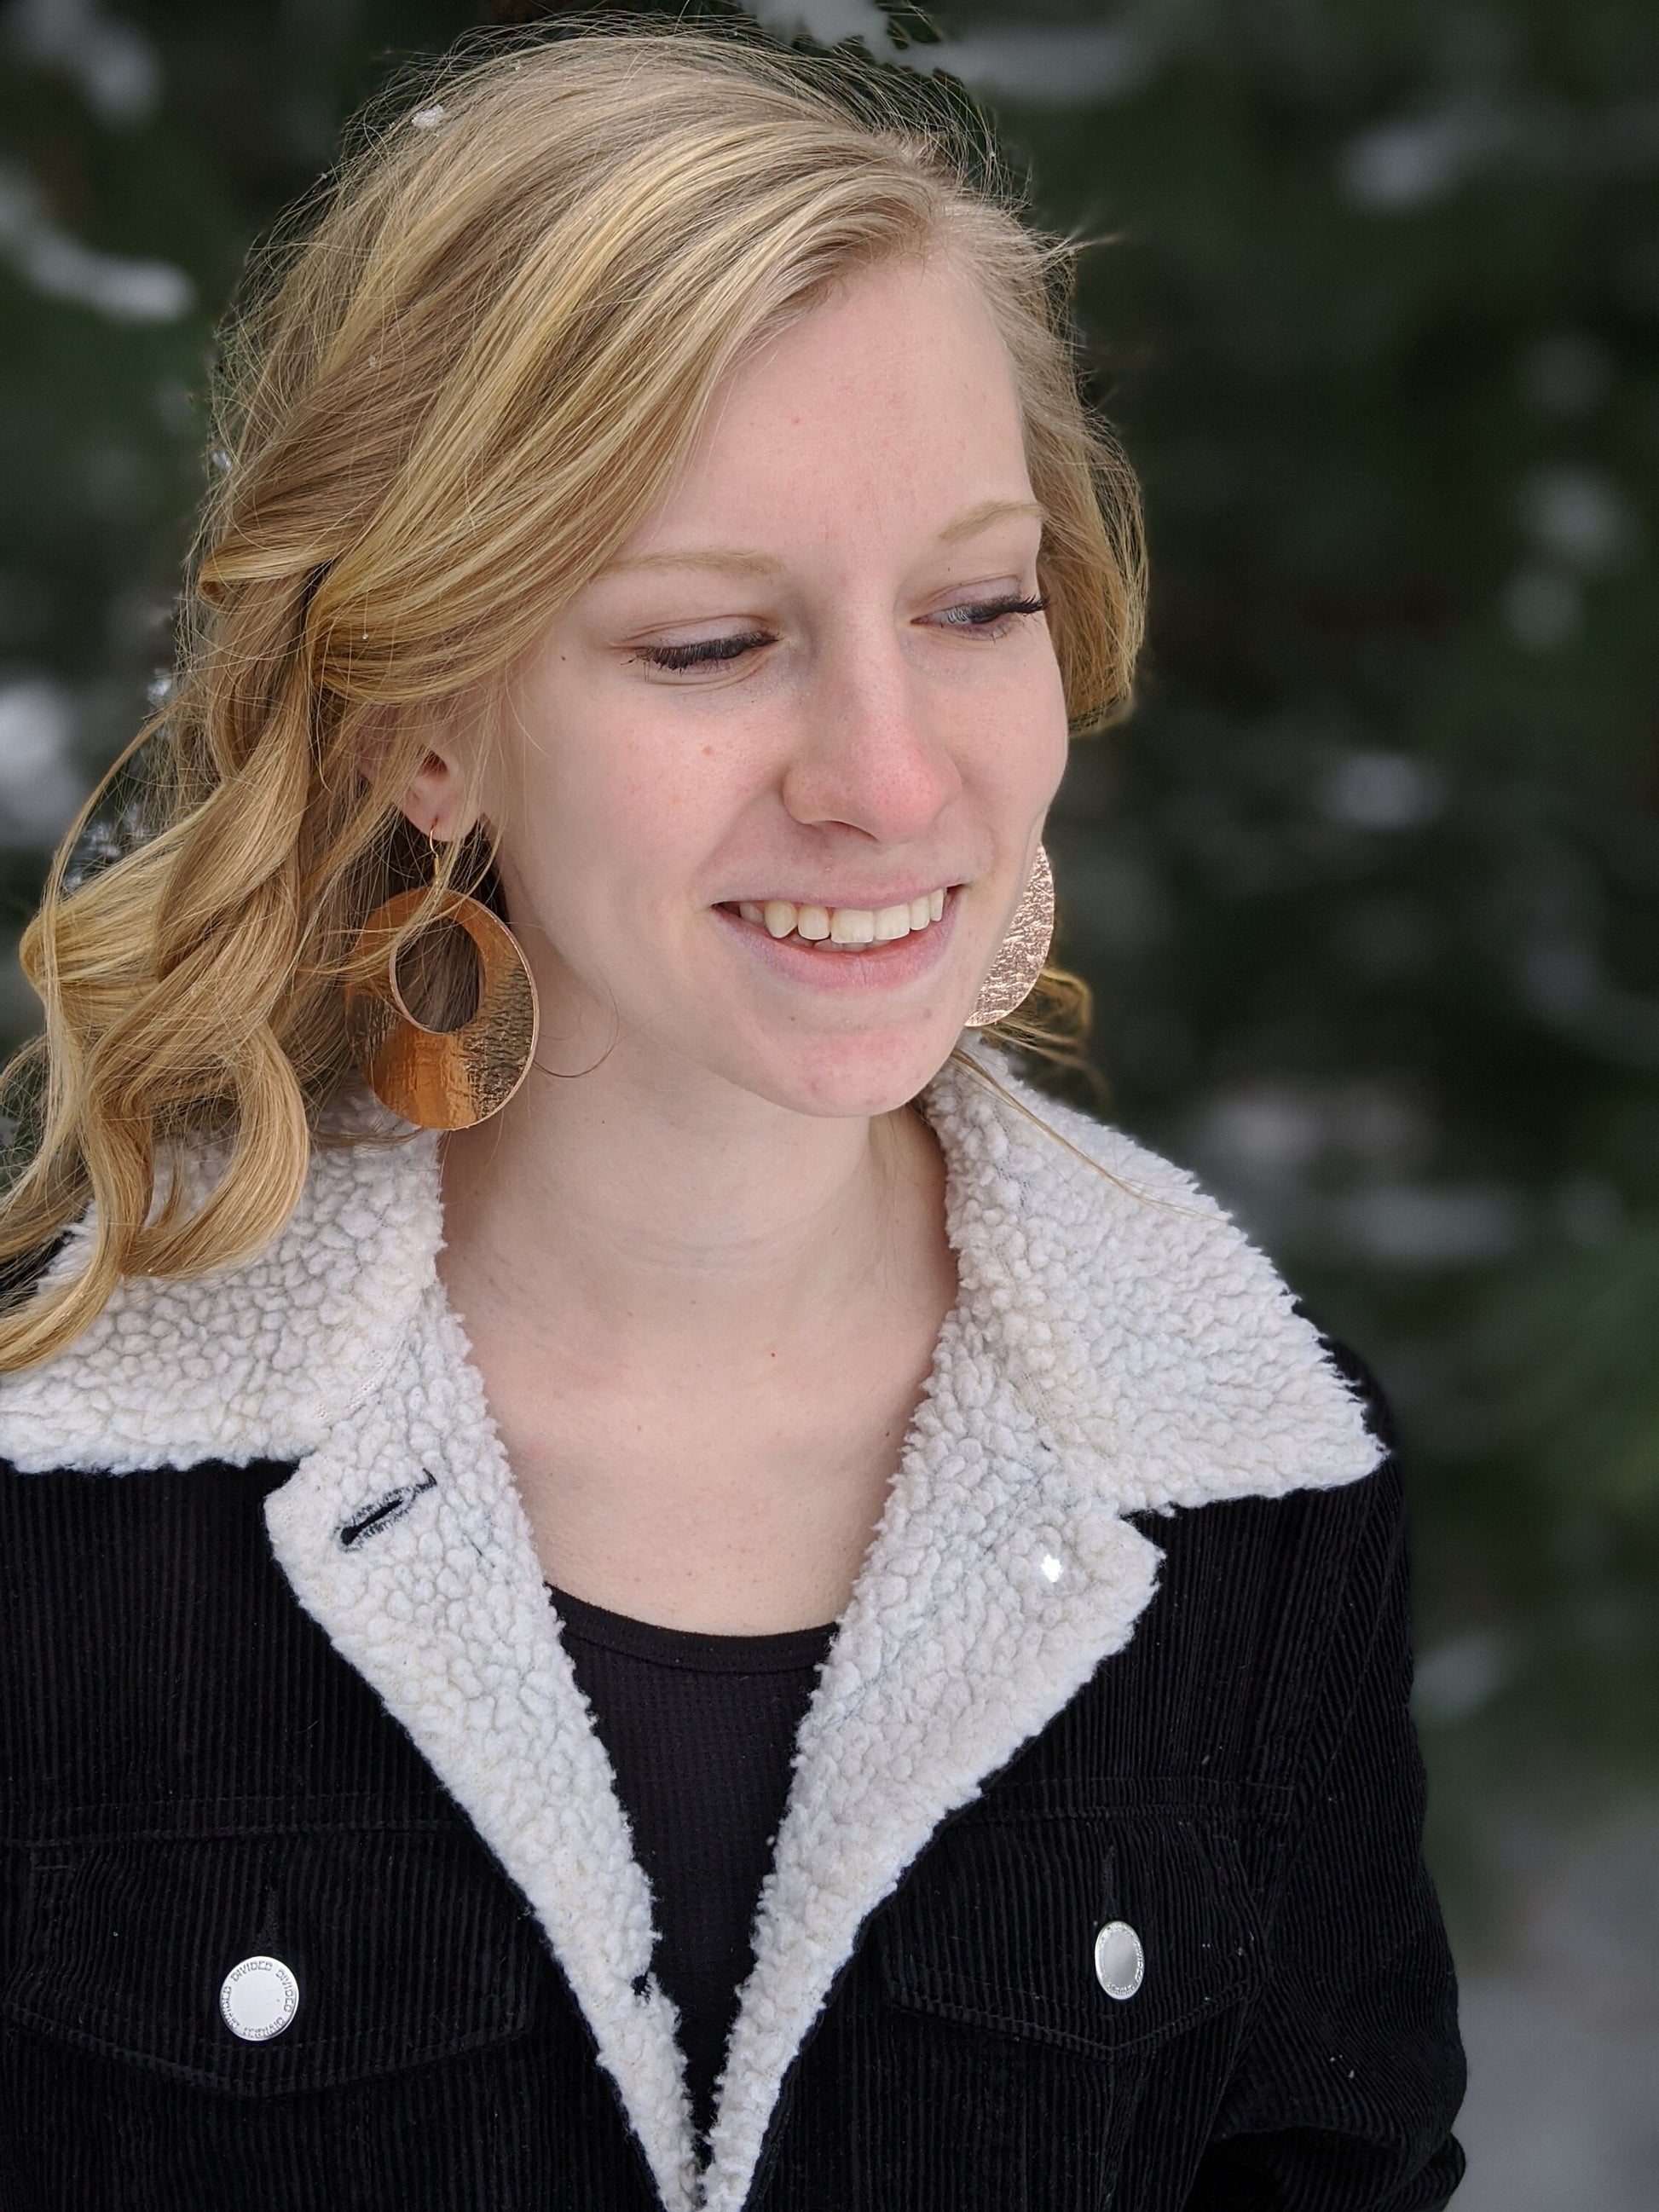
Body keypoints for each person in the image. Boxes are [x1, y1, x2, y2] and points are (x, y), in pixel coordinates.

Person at [0, 19, 1466, 2211]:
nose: (888, 775)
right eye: (708, 643)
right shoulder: (57, 1467)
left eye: (976, 606)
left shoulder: (1250, 1479)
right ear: (425, 730)